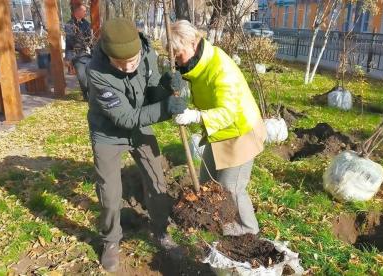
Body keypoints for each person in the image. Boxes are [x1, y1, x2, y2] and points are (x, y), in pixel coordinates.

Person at [87, 18, 186, 272]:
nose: (130, 67)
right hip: (108, 133)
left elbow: (150, 92)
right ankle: (110, 241)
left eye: (133, 60)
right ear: (109, 56)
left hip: (140, 127)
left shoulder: (146, 53)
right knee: (110, 194)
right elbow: (125, 117)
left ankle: (161, 232)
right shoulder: (97, 72)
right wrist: (165, 109)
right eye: (121, 64)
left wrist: (166, 87)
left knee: (156, 181)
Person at [164, 20, 267, 237]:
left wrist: (195, 116)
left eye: (178, 54)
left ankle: (248, 230)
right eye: (171, 55)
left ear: (193, 43)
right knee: (207, 183)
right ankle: (213, 221)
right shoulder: (195, 64)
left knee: (231, 187)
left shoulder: (220, 67)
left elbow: (228, 112)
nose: (176, 60)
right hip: (219, 131)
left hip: (240, 131)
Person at [65, 4, 92, 101]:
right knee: (82, 78)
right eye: (84, 11)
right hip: (77, 55)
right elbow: (68, 42)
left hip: (88, 55)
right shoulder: (69, 25)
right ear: (77, 12)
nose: (85, 13)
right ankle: (86, 96)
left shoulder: (87, 24)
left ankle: (91, 96)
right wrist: (68, 58)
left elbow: (90, 39)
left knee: (90, 76)